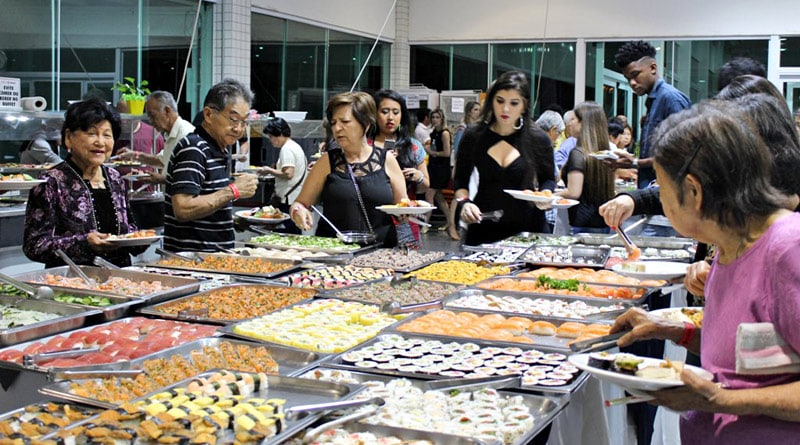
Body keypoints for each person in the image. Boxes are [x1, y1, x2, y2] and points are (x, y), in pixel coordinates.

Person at [610, 100, 800, 444]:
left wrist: (721, 400)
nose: (661, 202)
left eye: (663, 190)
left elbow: (732, 388)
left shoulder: (787, 248)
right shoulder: (726, 247)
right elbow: (751, 356)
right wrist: (672, 331)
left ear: (694, 192)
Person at [23, 99, 144, 267]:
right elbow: (34, 245)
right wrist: (84, 243)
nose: (100, 142)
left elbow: (128, 228)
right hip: (74, 282)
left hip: (119, 279)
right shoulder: (50, 182)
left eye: (107, 135)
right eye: (91, 133)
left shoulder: (115, 178)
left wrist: (139, 239)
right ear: (68, 138)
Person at [289, 92, 408, 247]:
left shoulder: (387, 160)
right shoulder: (327, 161)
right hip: (334, 252)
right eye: (333, 122)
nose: (337, 128)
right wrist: (298, 211)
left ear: (366, 125)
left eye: (345, 121)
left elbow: (403, 206)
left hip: (380, 253)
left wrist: (408, 212)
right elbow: (300, 203)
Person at [453, 70, 556, 245]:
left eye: (514, 103)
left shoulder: (538, 138)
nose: (505, 109)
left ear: (524, 106)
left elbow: (548, 180)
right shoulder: (474, 135)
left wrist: (546, 196)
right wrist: (465, 204)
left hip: (529, 229)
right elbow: (460, 181)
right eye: (500, 101)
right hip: (484, 226)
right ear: (491, 101)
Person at [163, 78, 259, 252]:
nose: (238, 128)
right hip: (191, 264)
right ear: (208, 115)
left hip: (214, 260)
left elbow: (210, 202)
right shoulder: (194, 148)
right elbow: (183, 208)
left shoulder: (221, 150)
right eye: (233, 119)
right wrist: (233, 191)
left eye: (244, 122)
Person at [610, 40, 692, 237]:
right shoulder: (654, 102)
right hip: (656, 205)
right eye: (627, 78)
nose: (631, 83)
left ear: (653, 68)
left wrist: (635, 162)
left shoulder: (670, 99)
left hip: (668, 208)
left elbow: (684, 155)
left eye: (635, 75)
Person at [556, 102, 615, 234]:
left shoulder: (577, 153)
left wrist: (549, 194)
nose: (570, 123)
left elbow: (573, 192)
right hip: (602, 222)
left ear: (584, 123)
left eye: (574, 119)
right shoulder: (605, 153)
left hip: (580, 223)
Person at [115, 91, 195, 184]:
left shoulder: (186, 135)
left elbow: (189, 178)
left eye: (152, 115)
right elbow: (161, 160)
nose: (150, 121)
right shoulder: (170, 134)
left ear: (167, 111)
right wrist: (134, 155)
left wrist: (161, 179)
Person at [259, 117, 307, 234]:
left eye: (271, 137)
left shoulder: (287, 149)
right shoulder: (294, 146)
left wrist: (269, 170)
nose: (270, 140)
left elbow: (288, 173)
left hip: (288, 199)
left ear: (279, 134)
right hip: (294, 197)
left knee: (289, 232)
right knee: (294, 231)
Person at [424, 108, 456, 234]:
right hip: (433, 165)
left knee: (429, 194)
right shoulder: (433, 133)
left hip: (441, 168)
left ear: (442, 119)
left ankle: (425, 223)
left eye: (437, 117)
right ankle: (449, 221)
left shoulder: (444, 133)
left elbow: (447, 153)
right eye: (433, 117)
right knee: (439, 197)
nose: (435, 120)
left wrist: (433, 153)